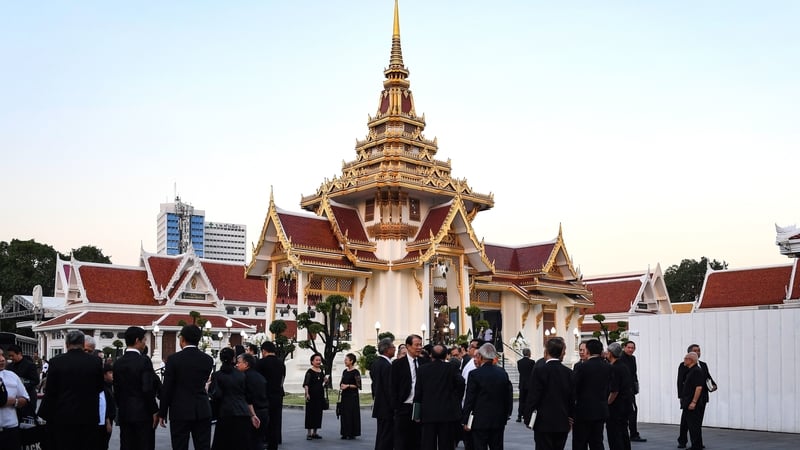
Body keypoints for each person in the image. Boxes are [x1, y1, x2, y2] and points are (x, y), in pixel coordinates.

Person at [39, 330, 104, 450]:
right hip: (88, 416)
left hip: (63, 415)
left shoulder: (56, 362)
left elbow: (51, 390)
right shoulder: (95, 362)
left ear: (66, 344)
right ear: (82, 343)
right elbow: (100, 387)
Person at [158, 324, 215, 450]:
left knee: (179, 445)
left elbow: (167, 388)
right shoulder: (208, 360)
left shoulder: (173, 359)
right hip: (202, 408)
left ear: (182, 339)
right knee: (203, 446)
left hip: (180, 410)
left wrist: (162, 412)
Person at [113, 326, 159, 450]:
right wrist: (154, 410)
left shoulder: (117, 362)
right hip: (143, 413)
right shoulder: (144, 361)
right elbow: (147, 388)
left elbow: (116, 389)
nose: (145, 343)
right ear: (137, 340)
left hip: (124, 412)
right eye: (144, 340)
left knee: (127, 444)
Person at [525, 338, 574, 450]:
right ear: (562, 352)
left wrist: (528, 418)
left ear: (546, 352)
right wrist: (571, 417)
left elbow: (533, 397)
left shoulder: (539, 371)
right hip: (562, 421)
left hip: (542, 422)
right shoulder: (569, 373)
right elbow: (572, 398)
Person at [461, 343, 513, 450]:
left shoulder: (475, 374)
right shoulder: (502, 373)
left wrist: (465, 420)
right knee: (497, 446)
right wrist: (507, 414)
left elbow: (470, 399)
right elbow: (508, 396)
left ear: (480, 356)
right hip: (498, 419)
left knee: (479, 446)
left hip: (479, 420)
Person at [414, 343, 465, 450]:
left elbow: (418, 392)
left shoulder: (422, 369)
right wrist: (455, 398)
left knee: (428, 443)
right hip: (447, 413)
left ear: (431, 355)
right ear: (446, 355)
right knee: (446, 444)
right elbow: (461, 383)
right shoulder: (451, 368)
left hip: (427, 413)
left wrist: (416, 413)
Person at [572, 339, 611, 450]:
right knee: (597, 441)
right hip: (600, 409)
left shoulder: (582, 366)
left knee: (580, 442)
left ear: (588, 350)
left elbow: (574, 388)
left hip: (583, 410)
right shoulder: (608, 366)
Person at [209, 347, 252, 450]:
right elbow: (247, 394)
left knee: (223, 443)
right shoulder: (241, 375)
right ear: (233, 359)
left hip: (225, 412)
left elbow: (215, 395)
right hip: (242, 412)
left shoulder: (217, 375)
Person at [677, 344, 715, 449]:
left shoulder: (703, 365)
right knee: (686, 421)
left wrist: (713, 385)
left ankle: (697, 442)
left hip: (701, 397)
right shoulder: (684, 365)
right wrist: (681, 397)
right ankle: (682, 440)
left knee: (697, 421)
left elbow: (707, 377)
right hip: (689, 397)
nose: (698, 352)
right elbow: (680, 381)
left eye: (699, 350)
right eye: (695, 351)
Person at [391, 334, 425, 450]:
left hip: (420, 407)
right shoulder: (398, 364)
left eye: (421, 345)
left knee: (418, 440)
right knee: (402, 440)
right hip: (404, 407)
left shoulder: (425, 362)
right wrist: (396, 406)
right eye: (416, 345)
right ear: (408, 346)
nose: (419, 347)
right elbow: (393, 387)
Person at [255, 341, 286, 450]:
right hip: (277, 395)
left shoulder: (260, 363)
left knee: (262, 421)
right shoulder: (281, 363)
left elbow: (257, 381)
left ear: (264, 351)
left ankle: (262, 443)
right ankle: (273, 445)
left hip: (264, 396)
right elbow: (282, 379)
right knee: (275, 421)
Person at [0, 347, 31, 450]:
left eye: (2, 355)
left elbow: (25, 398)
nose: (2, 359)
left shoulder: (12, 376)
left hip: (11, 429)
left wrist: (13, 401)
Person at [236, 353, 268, 450]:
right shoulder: (260, 377)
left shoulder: (243, 377)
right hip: (264, 412)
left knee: (248, 442)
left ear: (246, 364)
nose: (236, 365)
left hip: (251, 413)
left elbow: (248, 398)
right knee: (258, 441)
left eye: (238, 362)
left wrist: (252, 415)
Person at [606, 342, 633, 450]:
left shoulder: (614, 368)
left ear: (611, 353)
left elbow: (614, 390)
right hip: (625, 405)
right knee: (623, 431)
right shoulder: (623, 366)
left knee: (614, 434)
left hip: (616, 407)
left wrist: (608, 403)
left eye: (608, 351)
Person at [370, 338, 395, 450]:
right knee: (386, 435)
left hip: (379, 403)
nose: (394, 349)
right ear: (387, 350)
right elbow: (389, 387)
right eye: (393, 347)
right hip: (387, 406)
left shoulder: (376, 363)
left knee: (381, 434)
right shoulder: (387, 366)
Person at [678, 352, 706, 450]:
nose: (684, 360)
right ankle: (695, 444)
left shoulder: (696, 371)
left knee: (694, 425)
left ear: (691, 360)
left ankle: (697, 445)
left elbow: (699, 388)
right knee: (688, 423)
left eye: (685, 358)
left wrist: (694, 402)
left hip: (692, 403)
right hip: (687, 402)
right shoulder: (690, 370)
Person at [460, 338, 484, 450]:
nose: (469, 349)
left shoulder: (476, 366)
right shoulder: (469, 361)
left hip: (473, 410)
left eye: (472, 347)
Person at [6, 344, 39, 422]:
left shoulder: (30, 365)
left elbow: (36, 380)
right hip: (14, 399)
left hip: (28, 398)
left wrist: (21, 385)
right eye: (9, 356)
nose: (10, 358)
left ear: (19, 354)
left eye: (12, 356)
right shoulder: (10, 366)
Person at [620, 341, 645, 442]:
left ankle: (633, 433)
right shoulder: (621, 358)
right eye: (629, 347)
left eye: (632, 348)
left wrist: (635, 386)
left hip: (630, 390)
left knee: (632, 411)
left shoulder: (633, 358)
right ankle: (631, 433)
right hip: (623, 390)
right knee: (631, 411)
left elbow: (634, 373)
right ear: (624, 347)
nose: (631, 350)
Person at [303, 352, 328, 440]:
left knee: (318, 413)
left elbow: (323, 383)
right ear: (312, 361)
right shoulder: (309, 372)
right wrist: (307, 393)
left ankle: (315, 432)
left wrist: (326, 380)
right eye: (316, 360)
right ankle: (309, 433)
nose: (318, 362)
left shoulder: (321, 371)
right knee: (310, 413)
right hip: (311, 395)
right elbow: (306, 384)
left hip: (320, 395)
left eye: (319, 360)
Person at [339, 353, 362, 440]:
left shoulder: (356, 372)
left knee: (351, 414)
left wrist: (348, 385)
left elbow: (358, 385)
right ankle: (344, 432)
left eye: (346, 360)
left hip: (352, 396)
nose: (345, 361)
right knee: (344, 414)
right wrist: (341, 385)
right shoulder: (345, 371)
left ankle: (352, 433)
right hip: (345, 396)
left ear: (351, 361)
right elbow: (342, 381)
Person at [96, 363, 116, 450]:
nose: (112, 375)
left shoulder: (109, 386)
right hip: (104, 421)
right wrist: (107, 421)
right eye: (110, 373)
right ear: (104, 375)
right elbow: (103, 405)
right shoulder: (103, 387)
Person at [515, 348, 534, 423]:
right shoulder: (532, 362)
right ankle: (527, 416)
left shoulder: (519, 362)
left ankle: (519, 415)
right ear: (529, 353)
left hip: (522, 383)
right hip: (529, 384)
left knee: (521, 400)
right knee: (528, 400)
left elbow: (520, 371)